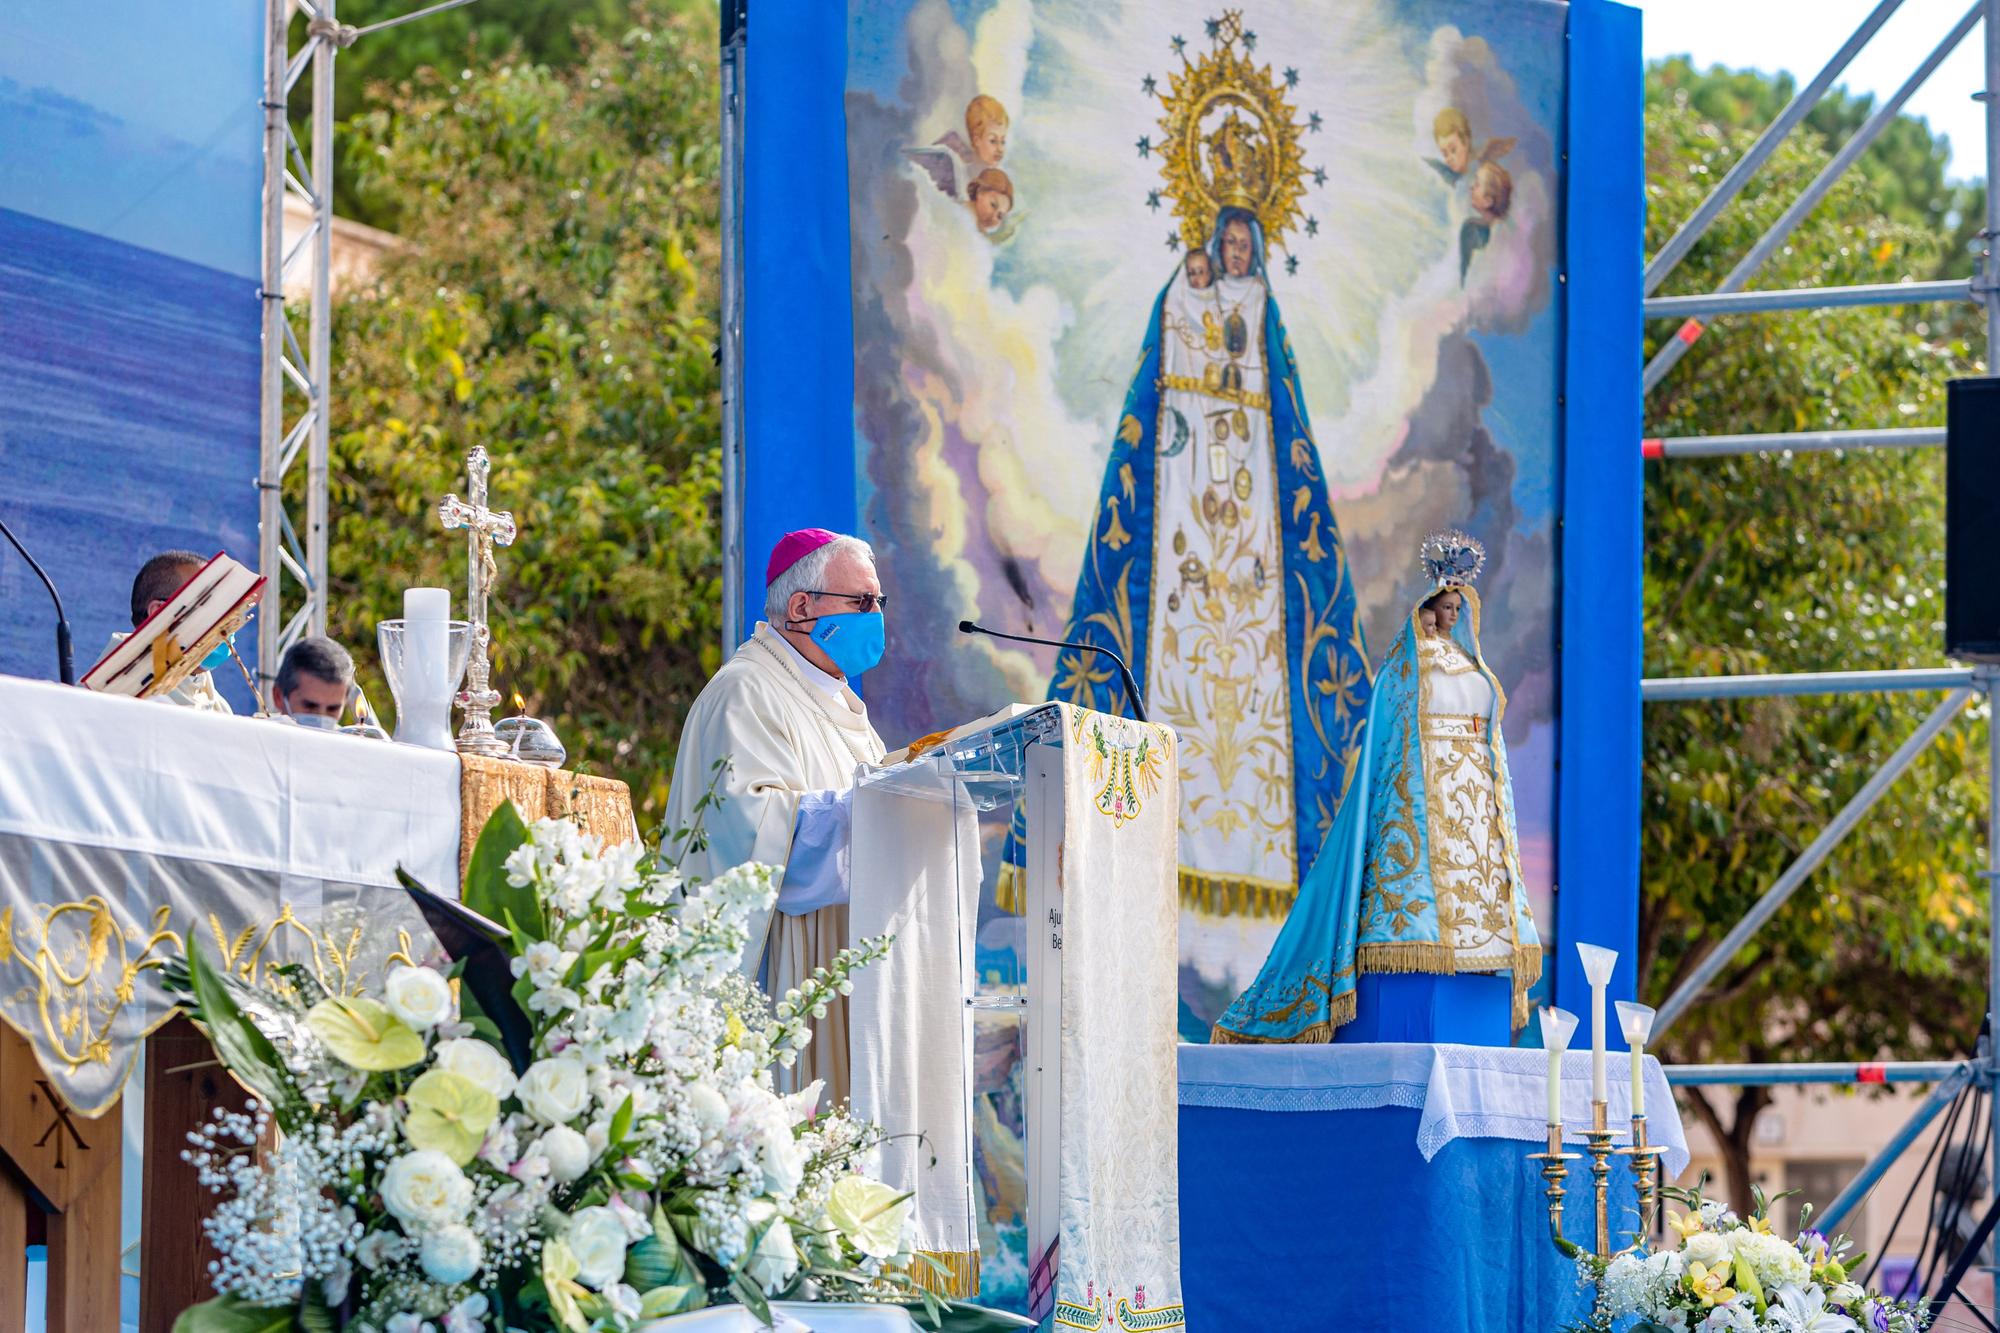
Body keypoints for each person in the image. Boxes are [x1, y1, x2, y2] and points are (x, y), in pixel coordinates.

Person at [1025, 202, 1372, 931]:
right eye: (1229, 245)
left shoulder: (1265, 309)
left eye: (1248, 245)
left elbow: (1283, 405)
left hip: (1255, 504)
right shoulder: (1184, 300)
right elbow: (1161, 384)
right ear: (1211, 250)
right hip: (1184, 487)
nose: (1237, 255)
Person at [1211, 530, 1543, 1044]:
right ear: (1429, 605)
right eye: (1447, 605)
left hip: (1470, 812)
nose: (1453, 615)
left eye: (1459, 606)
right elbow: (1393, 749)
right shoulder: (1403, 671)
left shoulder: (1470, 668)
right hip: (1418, 812)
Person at [661, 529, 889, 1099]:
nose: (875, 615)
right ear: (802, 607)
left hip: (843, 964)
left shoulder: (839, 707)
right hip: (785, 973)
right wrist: (875, 808)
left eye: (879, 602)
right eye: (861, 602)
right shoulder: (746, 692)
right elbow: (753, 837)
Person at [104, 550, 234, 713]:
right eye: (206, 604)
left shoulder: (219, 708)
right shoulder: (113, 689)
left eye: (224, 609)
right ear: (159, 613)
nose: (223, 622)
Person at [273, 635, 353, 728]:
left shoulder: (351, 741)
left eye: (332, 709)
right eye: (310, 706)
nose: (321, 717)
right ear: (278, 696)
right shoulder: (256, 739)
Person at [966, 167, 1014, 234]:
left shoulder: (978, 236)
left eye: (999, 216)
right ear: (980, 192)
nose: (994, 217)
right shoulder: (954, 213)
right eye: (993, 205)